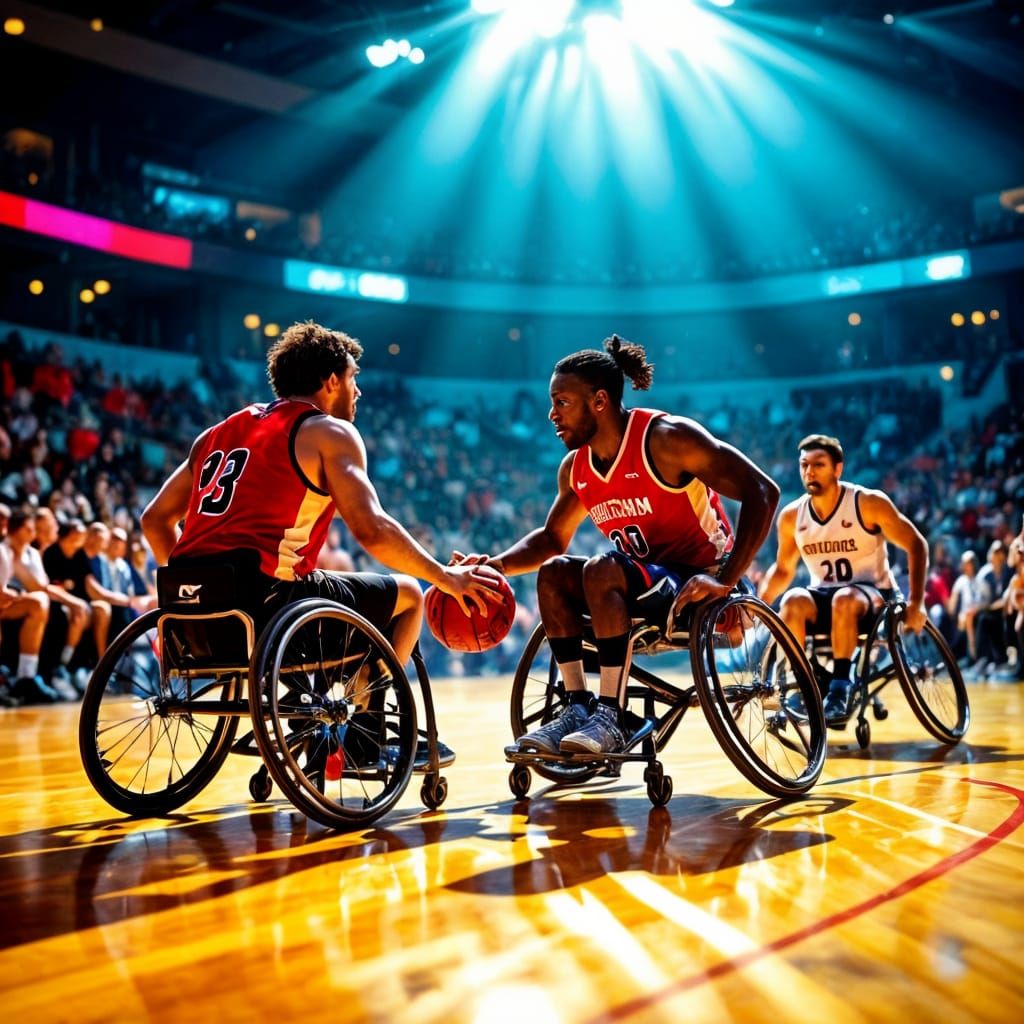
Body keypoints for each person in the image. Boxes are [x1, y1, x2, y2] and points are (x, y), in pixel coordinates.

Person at [141, 321, 502, 760]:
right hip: (271, 607)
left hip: (193, 620)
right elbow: (372, 530)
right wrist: (444, 577)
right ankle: (365, 736)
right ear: (331, 381)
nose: (358, 392)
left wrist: (196, 592)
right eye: (353, 379)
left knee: (318, 584)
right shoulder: (328, 432)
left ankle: (308, 718)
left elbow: (154, 520)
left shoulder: (216, 433)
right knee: (408, 595)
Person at [455, 335, 779, 755]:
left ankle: (611, 714)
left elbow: (763, 492)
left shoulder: (666, 438)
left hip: (700, 585)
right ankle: (576, 707)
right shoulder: (576, 468)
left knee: (603, 566)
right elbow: (553, 539)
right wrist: (494, 565)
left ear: (600, 401)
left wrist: (727, 580)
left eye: (562, 402)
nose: (552, 414)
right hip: (642, 585)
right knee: (554, 572)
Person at [758, 434, 928, 725]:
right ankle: (804, 684)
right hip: (826, 598)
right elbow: (784, 570)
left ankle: (839, 687)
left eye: (818, 464)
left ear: (838, 469)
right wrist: (757, 607)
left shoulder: (868, 503)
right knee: (793, 600)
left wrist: (917, 602)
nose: (809, 471)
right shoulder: (791, 516)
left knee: (844, 597)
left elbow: (916, 544)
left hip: (875, 598)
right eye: (804, 465)